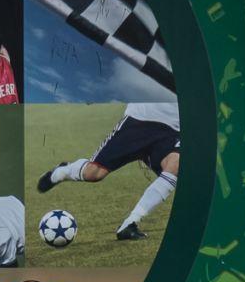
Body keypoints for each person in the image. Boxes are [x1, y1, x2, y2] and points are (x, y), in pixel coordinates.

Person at [37, 99, 178, 241]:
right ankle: (61, 172)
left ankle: (130, 223)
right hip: (140, 119)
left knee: (175, 167)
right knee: (94, 173)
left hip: (174, 130)